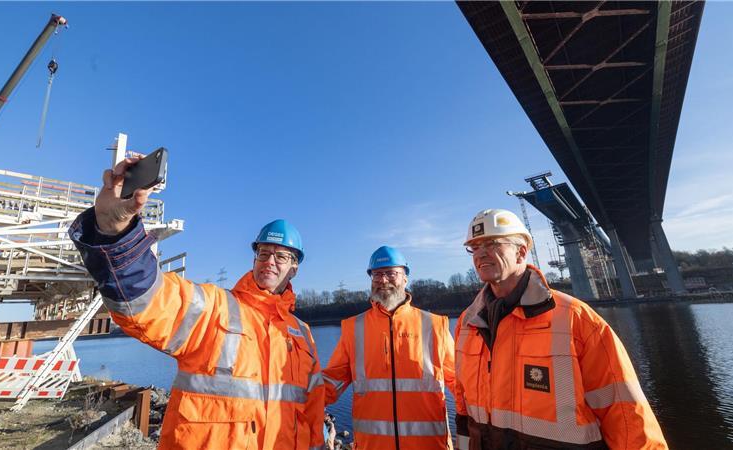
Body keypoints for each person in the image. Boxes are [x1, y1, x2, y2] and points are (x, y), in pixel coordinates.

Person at [68, 158, 325, 450]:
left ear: (294, 268)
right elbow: (151, 301)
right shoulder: (216, 309)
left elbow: (313, 412)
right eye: (264, 253)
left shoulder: (302, 334)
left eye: (281, 257)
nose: (270, 262)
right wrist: (115, 232)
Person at [453, 209, 668, 450]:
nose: (481, 253)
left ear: (522, 251)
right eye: (475, 246)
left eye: (492, 243)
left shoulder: (576, 319)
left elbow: (625, 414)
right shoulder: (467, 323)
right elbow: (463, 405)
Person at [322, 246, 456, 450]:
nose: (383, 280)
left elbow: (461, 382)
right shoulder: (354, 328)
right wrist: (300, 403)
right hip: (372, 445)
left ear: (405, 278)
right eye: (376, 274)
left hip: (429, 445)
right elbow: (332, 380)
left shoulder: (434, 325)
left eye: (391, 273)